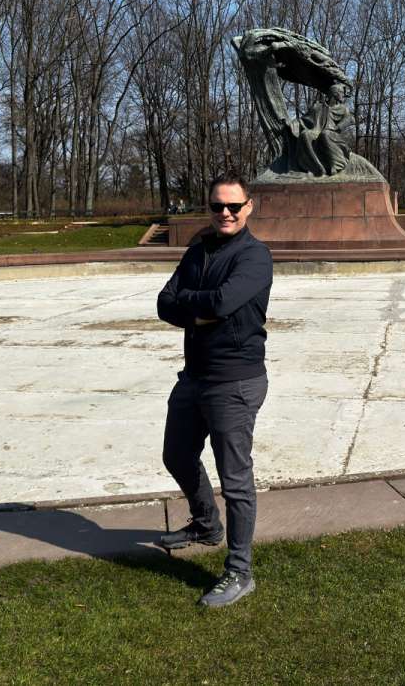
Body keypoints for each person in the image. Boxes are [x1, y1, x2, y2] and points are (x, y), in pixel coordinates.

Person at [156, 174, 273, 608]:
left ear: (249, 207)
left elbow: (224, 304)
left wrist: (193, 302)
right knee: (176, 454)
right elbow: (164, 303)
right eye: (216, 206)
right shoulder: (198, 249)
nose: (225, 213)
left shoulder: (256, 257)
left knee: (236, 481)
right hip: (194, 375)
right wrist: (198, 309)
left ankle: (240, 571)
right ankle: (207, 525)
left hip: (235, 381)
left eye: (233, 206)